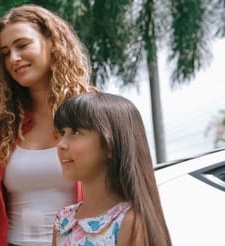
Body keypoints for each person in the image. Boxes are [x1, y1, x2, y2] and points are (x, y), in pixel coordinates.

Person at [0, 4, 94, 246]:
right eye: (5, 52)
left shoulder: (93, 111)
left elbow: (127, 194)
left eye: (22, 45)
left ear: (52, 41)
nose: (14, 58)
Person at [52, 92, 171, 246]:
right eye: (62, 133)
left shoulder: (130, 223)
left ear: (110, 146)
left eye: (76, 132)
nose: (61, 144)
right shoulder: (64, 219)